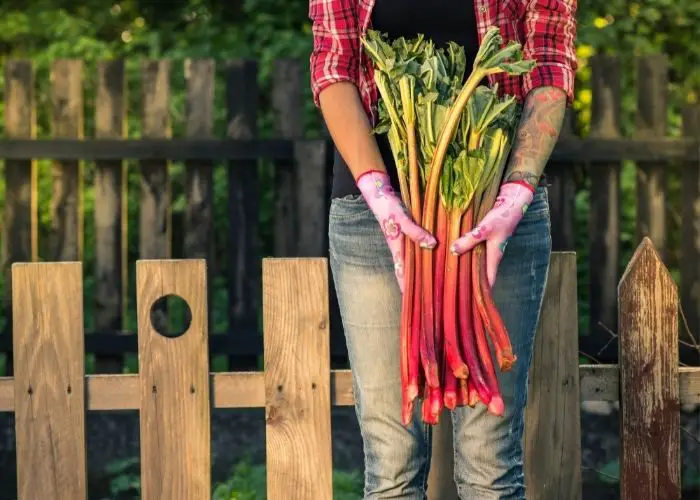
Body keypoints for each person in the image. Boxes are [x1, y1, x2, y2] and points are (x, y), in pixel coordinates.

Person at [309, 0, 577, 498]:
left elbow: (549, 61)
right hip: (372, 211)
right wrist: (378, 192)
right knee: (391, 467)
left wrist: (517, 191)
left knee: (490, 466)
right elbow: (334, 66)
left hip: (498, 199)